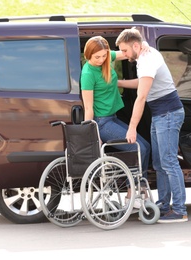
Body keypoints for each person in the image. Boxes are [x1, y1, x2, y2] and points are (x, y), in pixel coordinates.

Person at [116, 28, 188, 223]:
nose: (123, 55)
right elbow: (142, 83)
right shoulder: (143, 54)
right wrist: (118, 82)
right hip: (160, 114)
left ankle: (180, 210)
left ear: (136, 46)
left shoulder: (147, 60)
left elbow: (141, 97)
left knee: (169, 162)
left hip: (168, 114)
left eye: (124, 51)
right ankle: (164, 206)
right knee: (159, 163)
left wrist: (131, 128)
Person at [80, 36, 151, 208]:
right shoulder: (88, 73)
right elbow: (88, 108)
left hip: (113, 117)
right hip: (102, 122)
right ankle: (131, 195)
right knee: (137, 148)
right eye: (97, 57)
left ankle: (137, 192)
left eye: (104, 56)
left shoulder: (106, 57)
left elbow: (128, 52)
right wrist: (91, 136)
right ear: (88, 55)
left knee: (145, 146)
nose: (101, 60)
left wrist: (144, 45)